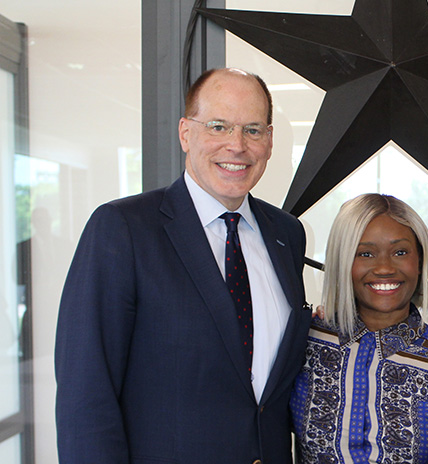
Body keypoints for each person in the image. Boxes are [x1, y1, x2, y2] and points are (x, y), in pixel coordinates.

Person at [54, 68, 311, 463]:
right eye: (219, 126)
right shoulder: (122, 229)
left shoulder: (286, 234)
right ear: (185, 133)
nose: (237, 145)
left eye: (253, 130)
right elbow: (85, 394)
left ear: (270, 141)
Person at [290, 194, 428, 464]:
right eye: (365, 253)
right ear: (342, 261)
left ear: (420, 262)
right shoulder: (304, 342)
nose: (384, 268)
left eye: (400, 252)